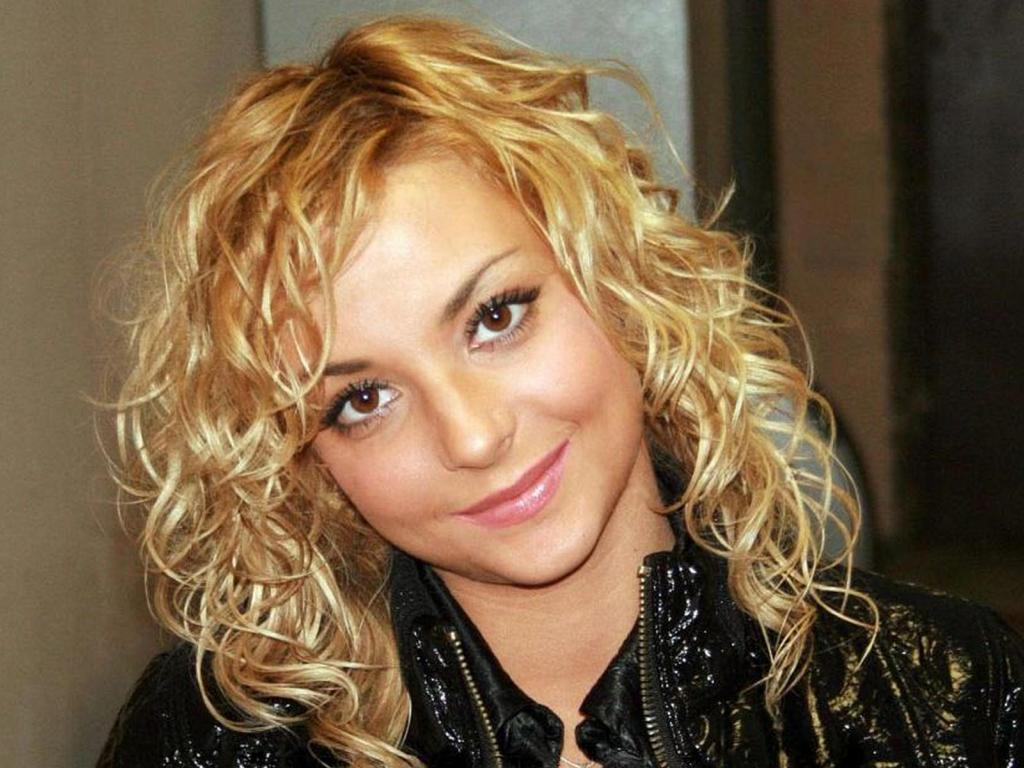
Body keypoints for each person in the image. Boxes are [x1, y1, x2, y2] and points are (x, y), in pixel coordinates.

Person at [97, 15, 1024, 768]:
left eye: (496, 316)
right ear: (307, 466)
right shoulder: (216, 740)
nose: (472, 436)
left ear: (619, 282)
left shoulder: (943, 695)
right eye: (364, 400)